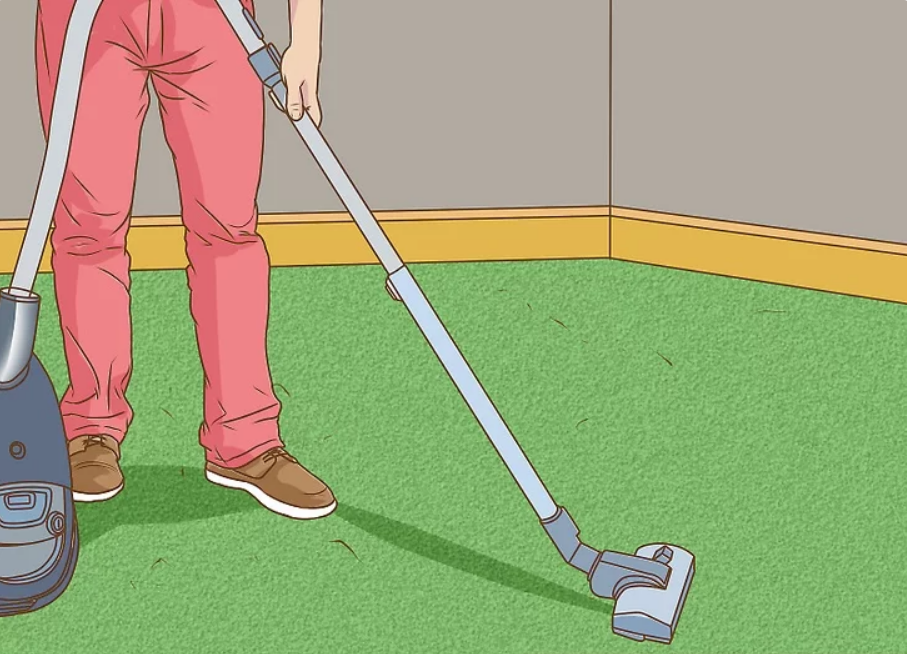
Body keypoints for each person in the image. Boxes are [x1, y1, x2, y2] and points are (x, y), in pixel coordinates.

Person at [35, 0, 336, 519]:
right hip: (88, 16)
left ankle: (246, 440)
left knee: (230, 232)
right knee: (87, 229)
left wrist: (305, 37)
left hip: (212, 19)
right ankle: (90, 428)